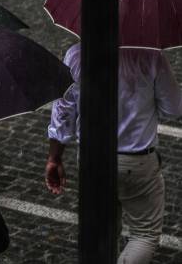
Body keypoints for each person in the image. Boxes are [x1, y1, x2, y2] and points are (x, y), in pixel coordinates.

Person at [46, 43, 182, 263]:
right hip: (138, 161)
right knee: (144, 235)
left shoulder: (77, 54)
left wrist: (54, 157)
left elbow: (63, 113)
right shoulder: (152, 56)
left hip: (92, 160)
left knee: (102, 229)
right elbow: (173, 109)